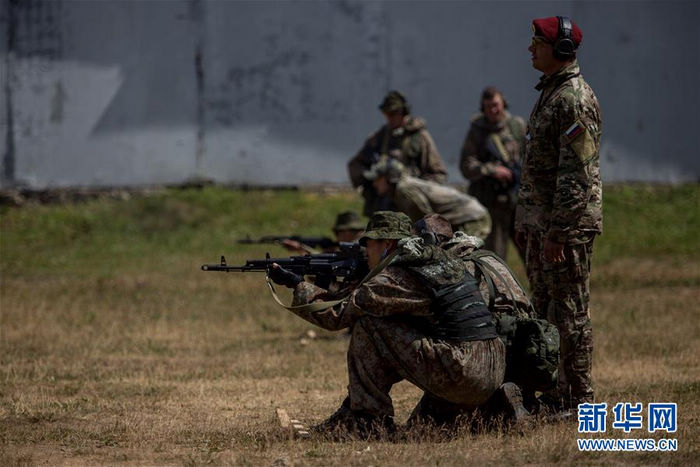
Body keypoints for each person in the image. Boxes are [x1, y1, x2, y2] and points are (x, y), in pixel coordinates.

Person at [268, 211, 508, 439]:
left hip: (463, 371)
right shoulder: (440, 262)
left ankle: (366, 419)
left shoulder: (397, 276)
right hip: (493, 368)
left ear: (387, 245)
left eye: (369, 243)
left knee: (369, 325)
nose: (364, 250)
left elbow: (337, 315)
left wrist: (297, 284)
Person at [515, 16, 602, 411]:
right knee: (546, 312)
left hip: (564, 231)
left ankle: (580, 400)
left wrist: (559, 232)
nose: (530, 49)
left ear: (562, 50)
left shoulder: (574, 99)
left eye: (537, 42)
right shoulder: (551, 94)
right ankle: (556, 393)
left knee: (570, 314)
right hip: (543, 227)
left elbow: (577, 173)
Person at [347, 91, 448, 216]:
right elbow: (355, 165)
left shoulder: (420, 137)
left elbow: (439, 174)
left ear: (403, 112)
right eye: (386, 114)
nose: (390, 117)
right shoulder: (380, 137)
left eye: (394, 113)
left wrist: (414, 185)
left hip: (411, 207)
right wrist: (373, 178)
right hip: (384, 206)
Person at [459, 86, 527, 262]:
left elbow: (532, 158)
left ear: (503, 103)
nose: (493, 110)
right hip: (492, 205)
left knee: (532, 256)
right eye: (488, 107)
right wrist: (491, 170)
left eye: (496, 105)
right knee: (495, 259)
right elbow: (466, 165)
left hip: (518, 203)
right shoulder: (477, 131)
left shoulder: (517, 126)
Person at [364, 157, 492, 239]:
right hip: (464, 218)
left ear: (389, 178)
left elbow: (426, 222)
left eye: (378, 179)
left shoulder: (404, 190)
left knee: (463, 259)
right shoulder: (401, 188)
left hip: (472, 218)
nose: (374, 183)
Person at [281, 210, 366, 255]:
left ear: (346, 231)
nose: (336, 238)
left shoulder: (356, 247)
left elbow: (334, 261)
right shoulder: (366, 243)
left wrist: (301, 249)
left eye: (337, 233)